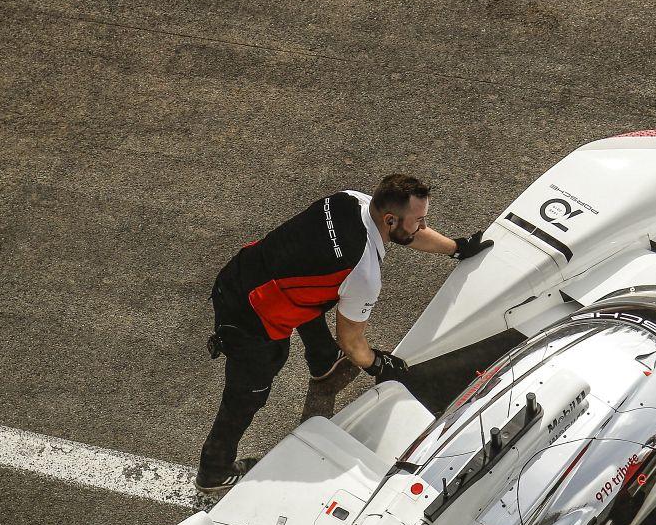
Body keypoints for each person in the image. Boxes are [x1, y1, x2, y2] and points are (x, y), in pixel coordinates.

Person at [196, 174, 493, 494]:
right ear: (390, 219)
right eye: (418, 220)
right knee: (247, 394)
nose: (422, 226)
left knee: (321, 288)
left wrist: (456, 248)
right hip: (249, 318)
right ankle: (214, 470)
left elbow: (407, 235)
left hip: (243, 270)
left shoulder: (350, 200)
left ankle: (324, 361)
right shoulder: (363, 272)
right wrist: (377, 364)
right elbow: (352, 342)